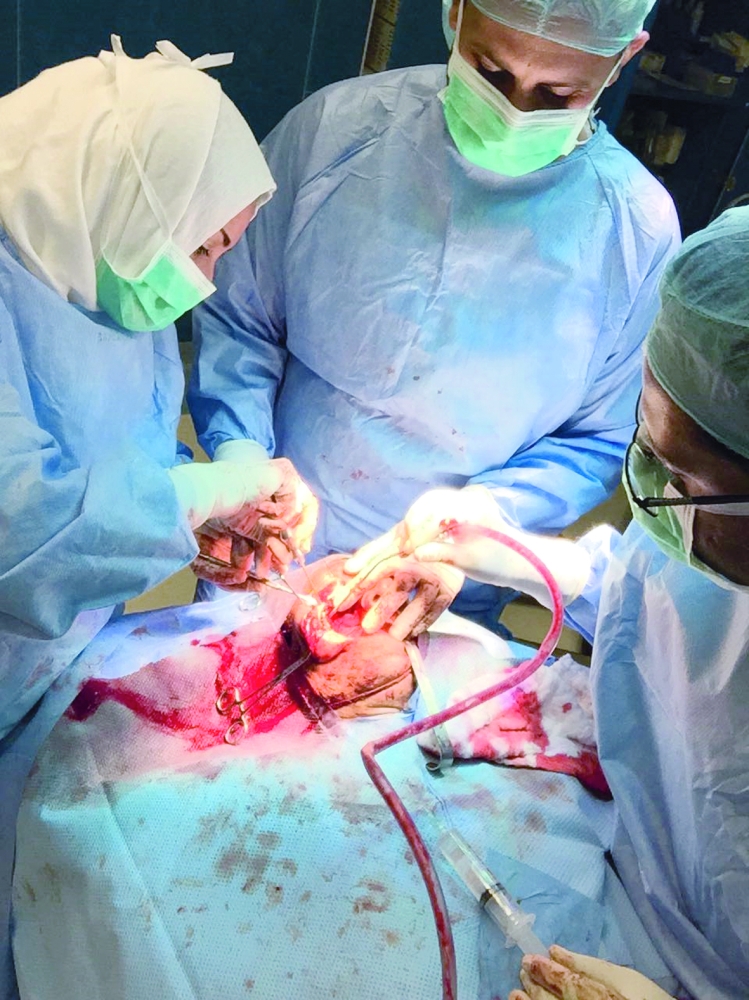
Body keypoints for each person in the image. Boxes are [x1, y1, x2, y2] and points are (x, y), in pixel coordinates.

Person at [343, 207, 749, 999]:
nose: (650, 493)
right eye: (645, 444)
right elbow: (659, 604)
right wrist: (507, 556)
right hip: (635, 883)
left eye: (681, 480)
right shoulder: (715, 534)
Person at [188, 0, 680, 631]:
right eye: (490, 71)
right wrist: (242, 459)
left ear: (622, 58)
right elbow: (241, 319)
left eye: (557, 94)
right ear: (455, 11)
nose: (514, 110)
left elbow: (599, 438)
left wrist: (482, 519)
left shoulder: (634, 231)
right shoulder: (336, 133)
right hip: (270, 543)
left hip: (445, 590)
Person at [0, 37, 316, 997]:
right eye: (203, 244)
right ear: (124, 190)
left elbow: (111, 456)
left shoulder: (94, 268)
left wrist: (196, 513)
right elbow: (23, 534)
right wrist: (206, 495)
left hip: (41, 668)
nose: (205, 278)